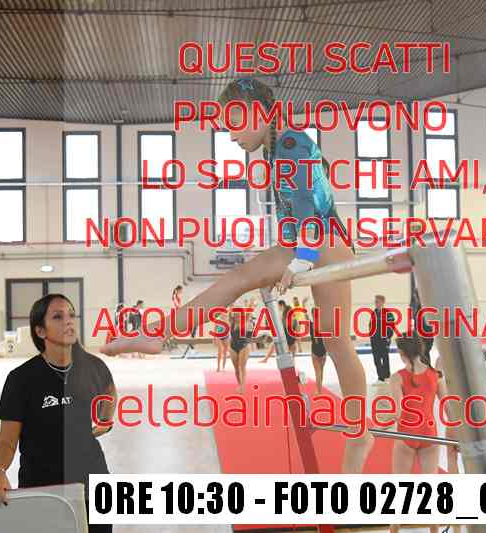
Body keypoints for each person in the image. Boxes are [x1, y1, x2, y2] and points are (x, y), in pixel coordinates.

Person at [102, 77, 374, 473]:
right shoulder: (277, 148)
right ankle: (159, 335)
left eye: (234, 124)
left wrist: (302, 257)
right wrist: (295, 252)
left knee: (336, 341)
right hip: (306, 242)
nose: (231, 136)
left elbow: (307, 202)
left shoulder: (291, 144)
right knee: (244, 284)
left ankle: (359, 432)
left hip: (322, 242)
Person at [0, 294, 116, 533]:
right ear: (40, 331)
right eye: (58, 316)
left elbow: (110, 391)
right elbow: (6, 441)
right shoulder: (21, 379)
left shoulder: (93, 366)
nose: (69, 321)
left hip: (92, 482)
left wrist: (105, 419)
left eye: (71, 315)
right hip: (42, 488)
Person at [388, 335, 448, 533]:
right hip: (429, 435)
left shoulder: (397, 377)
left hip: (407, 434)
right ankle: (434, 528)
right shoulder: (436, 375)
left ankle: (395, 527)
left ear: (402, 353)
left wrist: (383, 416)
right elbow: (449, 408)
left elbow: (397, 413)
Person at [371, 294, 394, 385]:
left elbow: (391, 327)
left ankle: (386, 376)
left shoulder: (388, 314)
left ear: (382, 302)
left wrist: (388, 337)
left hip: (384, 339)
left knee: (384, 358)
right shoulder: (374, 313)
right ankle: (380, 377)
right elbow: (371, 326)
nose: (375, 303)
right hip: (375, 340)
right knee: (376, 359)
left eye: (377, 301)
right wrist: (371, 336)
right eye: (375, 301)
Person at [229, 309, 251, 394]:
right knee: (236, 369)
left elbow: (249, 312)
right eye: (236, 314)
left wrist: (251, 304)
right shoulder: (232, 322)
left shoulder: (245, 321)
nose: (237, 316)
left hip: (244, 346)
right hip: (233, 346)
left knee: (242, 367)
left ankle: (243, 386)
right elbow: (229, 312)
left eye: (239, 314)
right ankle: (239, 384)